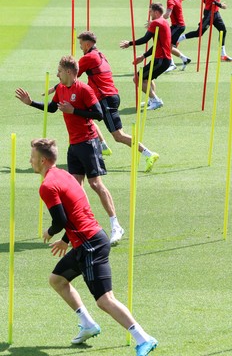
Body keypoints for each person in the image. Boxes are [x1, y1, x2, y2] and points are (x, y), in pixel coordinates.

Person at [30, 138, 158, 356]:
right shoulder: (63, 174)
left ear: (43, 160)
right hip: (86, 241)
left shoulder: (47, 186)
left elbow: (60, 220)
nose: (30, 160)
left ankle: (143, 338)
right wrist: (66, 240)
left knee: (105, 300)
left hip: (90, 245)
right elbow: (77, 209)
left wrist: (50, 233)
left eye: (32, 157)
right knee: (58, 280)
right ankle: (88, 325)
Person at [15, 56, 124, 245]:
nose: (57, 74)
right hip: (74, 145)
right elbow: (51, 108)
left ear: (68, 72)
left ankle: (116, 225)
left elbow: (98, 114)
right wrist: (31, 102)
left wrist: (74, 111)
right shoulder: (61, 89)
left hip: (89, 142)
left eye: (59, 71)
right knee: (76, 188)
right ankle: (84, 227)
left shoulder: (83, 89)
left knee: (96, 185)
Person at [49, 31, 159, 173]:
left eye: (81, 44)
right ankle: (103, 146)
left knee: (119, 136)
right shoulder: (100, 54)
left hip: (105, 99)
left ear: (88, 44)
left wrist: (56, 87)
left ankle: (148, 154)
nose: (81, 47)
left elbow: (72, 75)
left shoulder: (88, 57)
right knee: (84, 116)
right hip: (109, 96)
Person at [120, 2, 171, 111]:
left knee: (137, 79)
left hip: (161, 60)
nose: (149, 13)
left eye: (151, 11)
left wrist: (129, 43)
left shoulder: (156, 23)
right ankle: (152, 99)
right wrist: (143, 56)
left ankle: (156, 100)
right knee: (147, 78)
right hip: (163, 59)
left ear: (156, 12)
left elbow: (145, 39)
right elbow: (156, 45)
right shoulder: (164, 22)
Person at [162, 0, 191, 72]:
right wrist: (179, 0)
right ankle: (185, 59)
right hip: (178, 26)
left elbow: (167, 15)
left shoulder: (170, 0)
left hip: (177, 26)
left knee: (167, 45)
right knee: (167, 45)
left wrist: (156, 20)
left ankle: (172, 64)